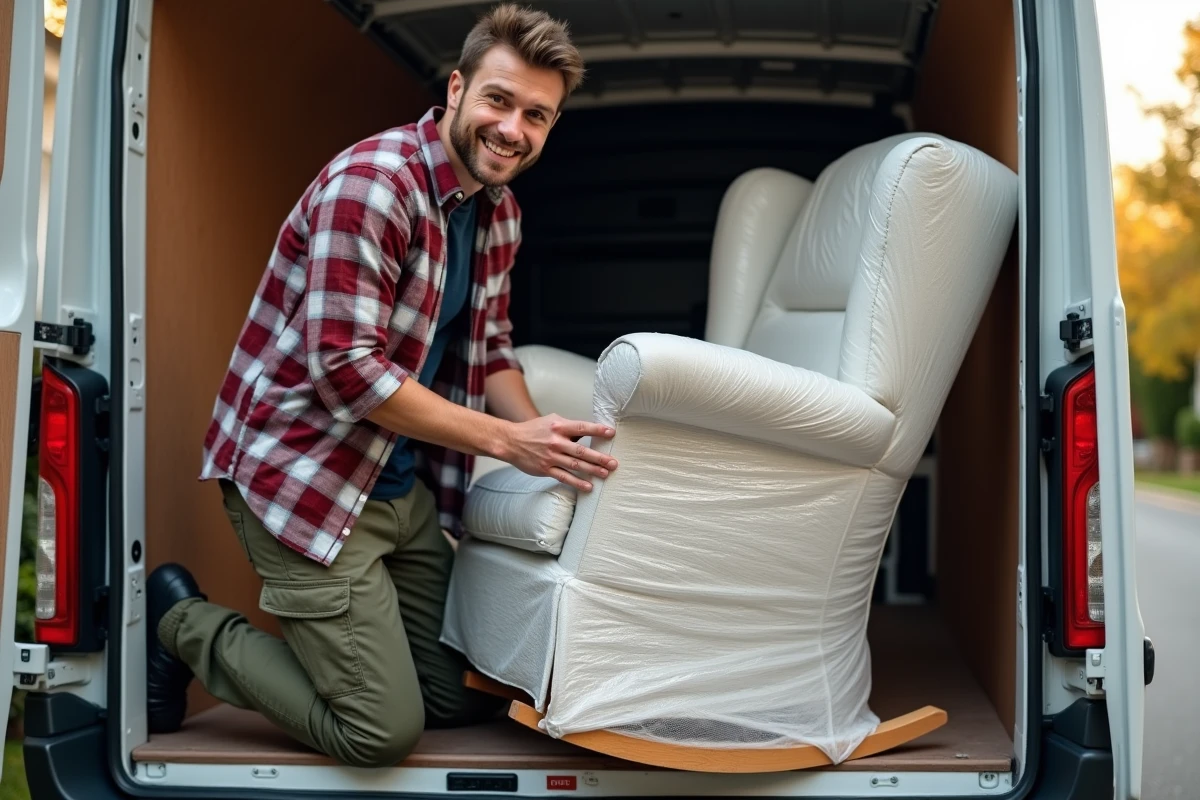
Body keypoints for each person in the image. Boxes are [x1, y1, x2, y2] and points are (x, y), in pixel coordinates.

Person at [144, 4, 616, 769]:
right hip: (302, 475)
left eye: (538, 115)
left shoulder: (500, 214)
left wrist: (547, 446)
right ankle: (180, 625)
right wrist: (506, 442)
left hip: (398, 486)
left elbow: (491, 347)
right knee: (381, 732)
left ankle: (343, 662)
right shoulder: (375, 185)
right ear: (458, 89)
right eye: (499, 100)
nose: (514, 129)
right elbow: (347, 370)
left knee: (464, 693)